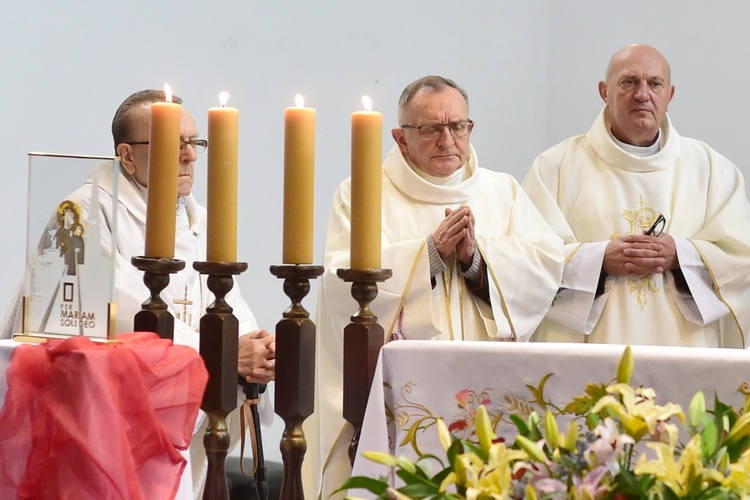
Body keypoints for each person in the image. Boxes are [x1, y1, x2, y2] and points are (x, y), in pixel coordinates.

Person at [4, 90, 276, 499]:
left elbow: (228, 301)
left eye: (194, 142)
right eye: (174, 143)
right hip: (98, 417)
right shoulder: (83, 212)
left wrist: (259, 353)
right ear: (127, 156)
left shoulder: (195, 219)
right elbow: (113, 308)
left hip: (180, 409)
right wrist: (221, 351)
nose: (190, 156)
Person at [307, 75, 564, 498]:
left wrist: (476, 260)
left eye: (457, 126)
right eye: (430, 129)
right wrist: (426, 254)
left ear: (470, 129)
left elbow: (545, 267)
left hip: (486, 394)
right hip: (401, 394)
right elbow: (340, 285)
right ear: (401, 138)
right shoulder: (361, 194)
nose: (447, 139)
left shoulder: (504, 192)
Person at [522, 44, 750, 348]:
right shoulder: (554, 168)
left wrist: (680, 255)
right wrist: (599, 260)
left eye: (655, 84)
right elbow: (525, 261)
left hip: (686, 350)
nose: (642, 94)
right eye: (629, 82)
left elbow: (741, 260)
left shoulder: (712, 170)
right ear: (604, 91)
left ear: (670, 95)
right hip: (590, 353)